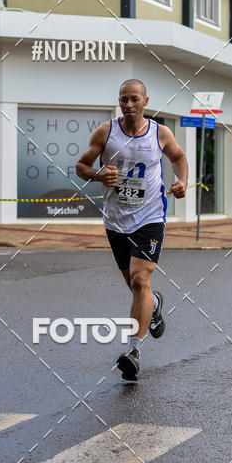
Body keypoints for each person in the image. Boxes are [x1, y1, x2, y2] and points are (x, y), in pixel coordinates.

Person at [76, 80, 188, 380]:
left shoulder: (160, 133)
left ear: (145, 101)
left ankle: (134, 351)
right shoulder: (106, 132)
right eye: (124, 99)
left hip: (150, 216)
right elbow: (81, 166)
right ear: (119, 102)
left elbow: (178, 157)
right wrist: (99, 175)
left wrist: (182, 181)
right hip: (116, 220)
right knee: (136, 286)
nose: (128, 104)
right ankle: (155, 304)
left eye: (134, 99)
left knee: (140, 280)